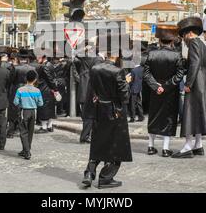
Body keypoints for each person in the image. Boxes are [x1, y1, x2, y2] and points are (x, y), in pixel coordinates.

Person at [81, 35, 132, 189]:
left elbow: (94, 89)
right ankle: (106, 177)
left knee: (98, 142)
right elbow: (125, 97)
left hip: (99, 109)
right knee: (117, 145)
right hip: (114, 110)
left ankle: (89, 173)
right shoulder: (118, 71)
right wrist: (127, 83)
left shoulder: (95, 68)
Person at [172, 17, 206, 159]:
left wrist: (188, 84)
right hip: (203, 82)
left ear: (188, 33)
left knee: (189, 114)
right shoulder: (203, 45)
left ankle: (188, 146)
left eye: (183, 36)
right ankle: (198, 145)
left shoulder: (193, 43)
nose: (183, 39)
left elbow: (194, 64)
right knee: (198, 113)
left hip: (195, 82)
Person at [143, 25, 185, 157]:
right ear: (172, 41)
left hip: (155, 91)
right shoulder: (177, 55)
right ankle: (165, 149)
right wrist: (166, 86)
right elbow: (179, 75)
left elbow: (146, 73)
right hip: (170, 91)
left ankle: (151, 146)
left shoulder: (151, 54)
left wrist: (156, 86)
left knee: (153, 117)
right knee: (169, 118)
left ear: (160, 40)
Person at [73, 47, 104, 143]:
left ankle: (87, 135)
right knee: (90, 115)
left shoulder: (85, 58)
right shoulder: (98, 59)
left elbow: (75, 53)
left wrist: (85, 48)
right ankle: (87, 135)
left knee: (87, 115)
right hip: (91, 89)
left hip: (84, 88)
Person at [13, 70, 44, 160]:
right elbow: (40, 103)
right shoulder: (37, 90)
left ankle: (27, 152)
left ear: (26, 78)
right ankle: (26, 149)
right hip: (33, 112)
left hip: (24, 111)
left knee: (23, 132)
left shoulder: (20, 90)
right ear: (35, 80)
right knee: (30, 132)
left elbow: (15, 102)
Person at [7, 49, 36, 139]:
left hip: (17, 89)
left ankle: (11, 131)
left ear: (19, 58)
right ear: (27, 58)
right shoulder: (32, 68)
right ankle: (23, 129)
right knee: (26, 109)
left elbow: (10, 80)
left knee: (14, 110)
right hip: (29, 89)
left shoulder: (15, 68)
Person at [35, 55, 59, 134]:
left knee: (43, 107)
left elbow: (49, 79)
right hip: (49, 89)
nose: (37, 58)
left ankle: (44, 127)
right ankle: (49, 126)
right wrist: (55, 89)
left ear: (43, 57)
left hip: (45, 89)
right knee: (50, 107)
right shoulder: (50, 65)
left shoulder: (44, 66)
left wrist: (55, 89)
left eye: (38, 57)